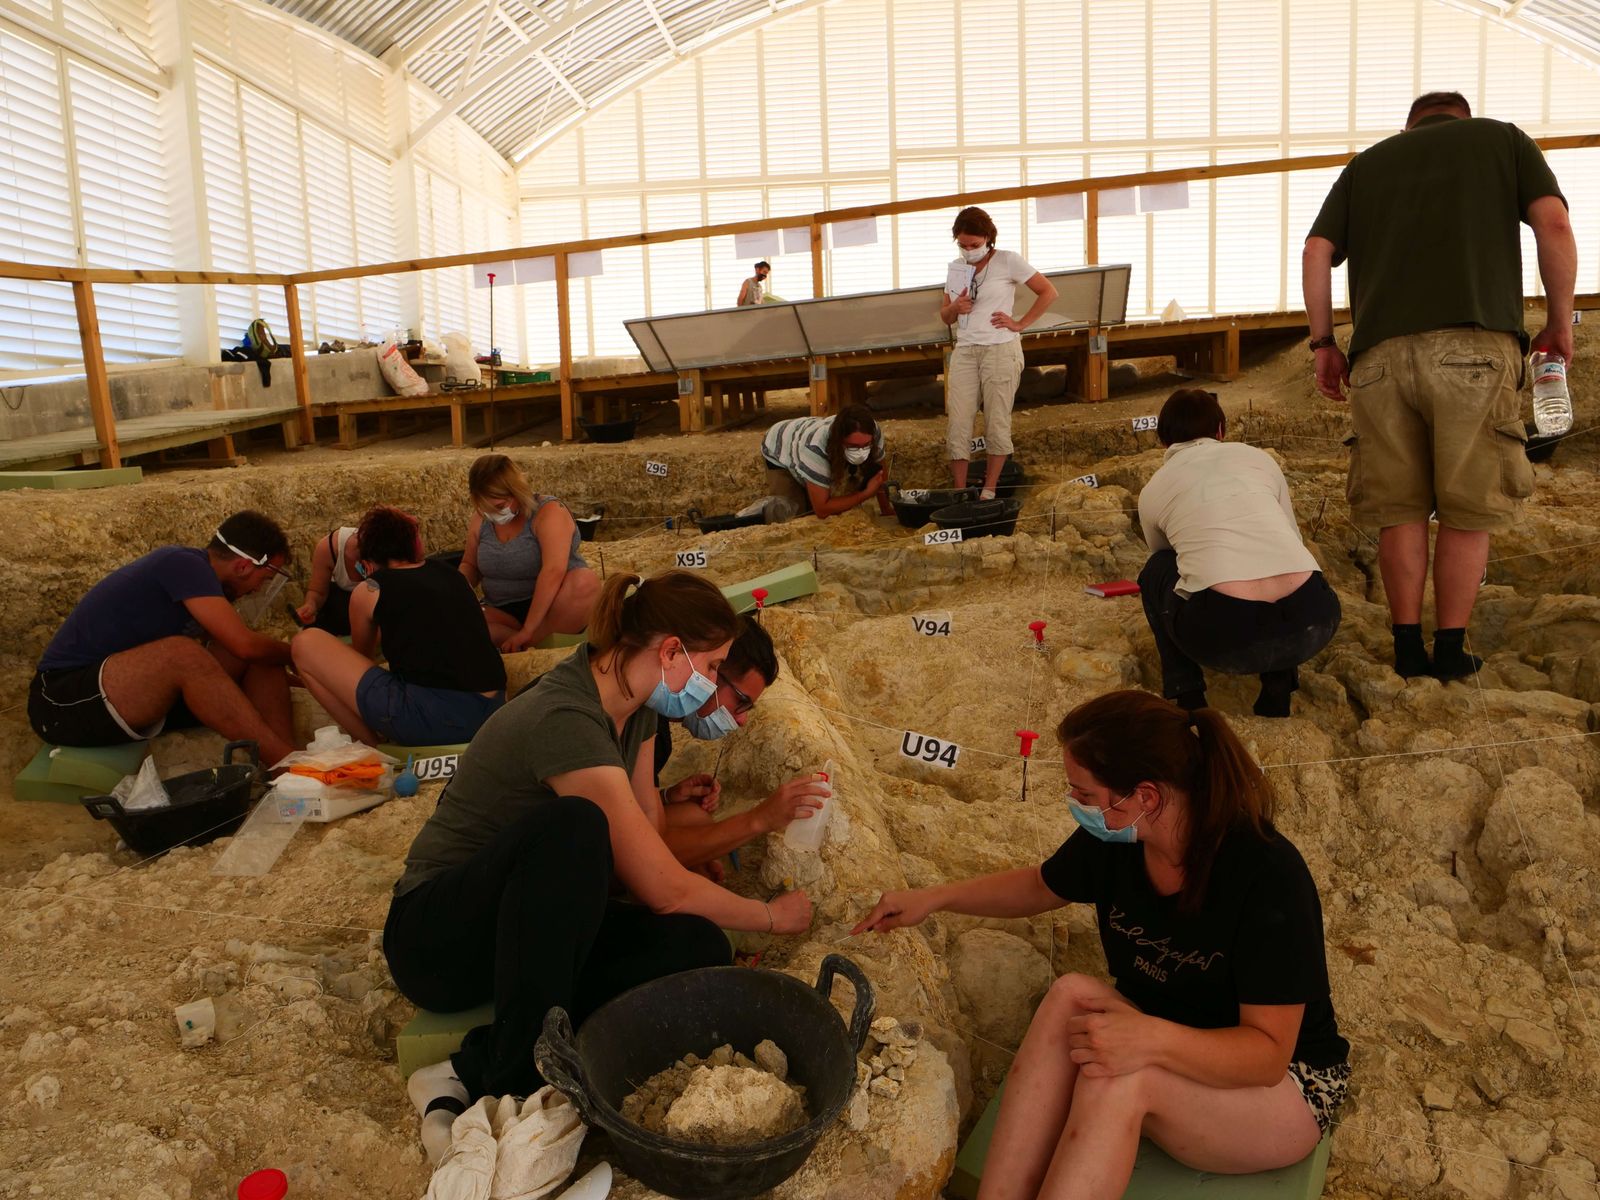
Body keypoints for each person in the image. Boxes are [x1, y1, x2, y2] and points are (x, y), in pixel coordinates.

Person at [853, 691, 1349, 1200]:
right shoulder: (1119, 839)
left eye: (1085, 795)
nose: (1077, 807)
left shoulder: (1267, 876)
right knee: (1071, 993)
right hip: (1175, 1039)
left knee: (1121, 1077)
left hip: (1281, 1090)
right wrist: (934, 899)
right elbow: (1041, 886)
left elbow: (1266, 1055)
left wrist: (1149, 1040)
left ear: (1146, 797)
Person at [386, 570, 814, 1152]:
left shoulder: (633, 708)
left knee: (697, 945)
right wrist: (768, 916)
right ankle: (513, 1088)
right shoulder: (566, 716)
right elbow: (660, 885)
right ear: (670, 652)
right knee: (577, 829)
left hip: (518, 923)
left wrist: (673, 818)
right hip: (436, 938)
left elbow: (647, 840)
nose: (711, 684)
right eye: (712, 668)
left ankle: (462, 1069)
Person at [1303, 90, 1576, 681]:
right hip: (1473, 350)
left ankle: (1405, 650)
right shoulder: (1502, 140)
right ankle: (1450, 649)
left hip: (1377, 360)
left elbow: (1316, 250)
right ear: (1463, 118)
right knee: (1467, 506)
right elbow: (1552, 222)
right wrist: (1558, 321)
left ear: (1411, 126)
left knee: (1399, 510)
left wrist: (1324, 344)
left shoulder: (1367, 164)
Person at [27, 511, 297, 765]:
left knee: (264, 658)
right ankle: (287, 764)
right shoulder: (183, 564)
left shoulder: (211, 586)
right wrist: (299, 654)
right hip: (62, 703)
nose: (258, 589)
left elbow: (247, 653)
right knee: (184, 654)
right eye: (264, 579)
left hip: (129, 697)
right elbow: (244, 645)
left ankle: (293, 761)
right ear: (243, 567)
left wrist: (297, 674)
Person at [1136, 389, 1341, 718]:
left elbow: (1165, 555)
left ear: (1163, 441)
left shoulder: (1154, 489)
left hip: (1226, 638)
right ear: (1220, 431)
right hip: (1313, 621)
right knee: (1281, 552)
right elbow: (1293, 532)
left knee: (1156, 570)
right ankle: (1278, 690)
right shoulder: (1258, 458)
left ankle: (1187, 694)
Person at [290, 506, 506, 748]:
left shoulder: (370, 589)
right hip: (493, 710)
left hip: (436, 720)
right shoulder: (454, 576)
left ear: (368, 562)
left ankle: (374, 747)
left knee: (304, 644)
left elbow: (362, 659)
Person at [652, 617, 830, 872]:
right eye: (741, 701)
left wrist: (666, 797)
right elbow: (642, 852)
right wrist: (759, 820)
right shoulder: (640, 723)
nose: (742, 719)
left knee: (694, 818)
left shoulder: (656, 725)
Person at [939, 206, 1058, 498]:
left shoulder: (1007, 260)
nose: (969, 250)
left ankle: (989, 489)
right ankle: (959, 491)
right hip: (966, 349)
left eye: (975, 245)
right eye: (963, 245)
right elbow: (946, 316)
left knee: (997, 418)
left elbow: (1048, 292)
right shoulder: (957, 267)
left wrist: (1020, 323)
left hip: (1000, 348)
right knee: (959, 419)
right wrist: (955, 307)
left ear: (988, 238)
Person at [458, 453, 600, 652]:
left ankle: (528, 641)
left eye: (499, 506)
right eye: (485, 508)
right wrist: (454, 591)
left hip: (554, 606)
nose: (493, 514)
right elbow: (470, 565)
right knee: (457, 619)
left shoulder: (549, 512)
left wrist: (528, 629)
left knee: (585, 582)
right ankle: (523, 643)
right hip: (501, 609)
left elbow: (553, 572)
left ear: (517, 492)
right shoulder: (481, 520)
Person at [758, 404, 894, 522]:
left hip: (805, 431)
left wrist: (886, 508)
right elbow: (822, 510)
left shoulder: (873, 430)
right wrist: (865, 494)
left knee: (822, 499)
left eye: (866, 445)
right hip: (778, 445)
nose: (860, 451)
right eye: (853, 446)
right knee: (794, 514)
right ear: (839, 440)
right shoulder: (815, 448)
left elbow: (879, 470)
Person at [292, 524, 362, 635]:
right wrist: (310, 605)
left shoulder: (394, 558)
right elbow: (318, 591)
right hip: (342, 608)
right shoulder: (330, 547)